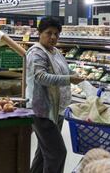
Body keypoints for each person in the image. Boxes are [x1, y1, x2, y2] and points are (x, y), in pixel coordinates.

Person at [26, 17, 84, 173]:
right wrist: (69, 79)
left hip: (56, 109)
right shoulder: (37, 52)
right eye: (48, 33)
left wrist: (76, 76)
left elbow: (64, 70)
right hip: (42, 110)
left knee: (44, 153)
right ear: (39, 33)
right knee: (57, 153)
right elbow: (41, 77)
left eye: (56, 34)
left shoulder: (56, 51)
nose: (53, 37)